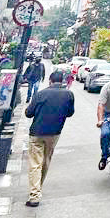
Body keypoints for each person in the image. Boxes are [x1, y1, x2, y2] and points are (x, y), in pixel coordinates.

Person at [24, 69, 75, 207]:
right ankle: (37, 187)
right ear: (62, 81)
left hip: (37, 133)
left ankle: (34, 195)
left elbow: (28, 113)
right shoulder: (69, 95)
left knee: (35, 163)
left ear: (50, 81)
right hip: (54, 133)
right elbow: (70, 113)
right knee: (46, 161)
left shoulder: (40, 94)